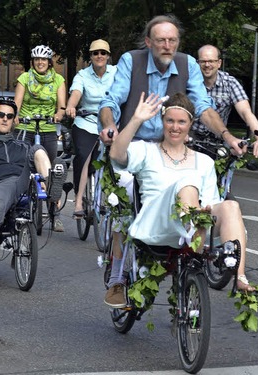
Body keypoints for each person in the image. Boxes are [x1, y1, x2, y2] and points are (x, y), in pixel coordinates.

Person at [98, 14, 248, 306]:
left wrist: (228, 137)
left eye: (172, 40)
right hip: (138, 142)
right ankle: (117, 275)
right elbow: (111, 102)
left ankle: (194, 250)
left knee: (199, 181)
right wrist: (110, 127)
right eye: (161, 40)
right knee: (125, 198)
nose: (167, 46)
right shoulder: (132, 61)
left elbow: (203, 105)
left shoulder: (187, 63)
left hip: (176, 141)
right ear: (148, 42)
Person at [105, 92, 253, 307]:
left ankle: (239, 276)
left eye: (181, 122)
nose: (175, 127)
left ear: (190, 124)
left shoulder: (204, 162)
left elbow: (212, 203)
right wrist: (136, 119)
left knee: (230, 205)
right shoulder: (146, 151)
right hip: (157, 224)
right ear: (162, 122)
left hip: (195, 225)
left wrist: (206, 210)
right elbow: (116, 155)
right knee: (187, 184)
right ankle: (194, 240)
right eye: (170, 121)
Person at [0, 97, 65, 268]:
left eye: (9, 116)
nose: (5, 119)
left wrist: (40, 181)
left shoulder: (23, 145)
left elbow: (33, 167)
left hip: (24, 181)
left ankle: (50, 184)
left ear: (14, 120)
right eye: (1, 114)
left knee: (37, 149)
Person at [14, 44, 67, 232]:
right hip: (25, 127)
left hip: (47, 127)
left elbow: (61, 105)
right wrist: (16, 115)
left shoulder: (58, 80)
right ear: (33, 61)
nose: (40, 62)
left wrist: (59, 115)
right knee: (21, 167)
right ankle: (19, 207)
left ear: (49, 62)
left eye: (43, 59)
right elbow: (17, 104)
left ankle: (55, 214)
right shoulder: (25, 78)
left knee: (51, 173)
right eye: (37, 59)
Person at [65, 39, 116, 218]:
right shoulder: (82, 75)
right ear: (90, 56)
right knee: (84, 155)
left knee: (117, 158)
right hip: (86, 122)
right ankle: (78, 201)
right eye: (95, 53)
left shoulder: (117, 73)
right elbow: (76, 93)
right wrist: (71, 106)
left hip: (111, 124)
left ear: (108, 56)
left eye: (103, 52)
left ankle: (109, 197)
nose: (99, 56)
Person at [193, 44, 258, 158]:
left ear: (219, 63)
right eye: (203, 61)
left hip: (218, 141)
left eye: (211, 61)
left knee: (227, 165)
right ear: (198, 63)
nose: (207, 65)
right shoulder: (190, 82)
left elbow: (245, 112)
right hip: (192, 139)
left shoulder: (230, 83)